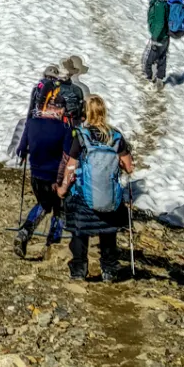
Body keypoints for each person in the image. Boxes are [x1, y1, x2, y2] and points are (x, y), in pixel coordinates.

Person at [58, 95, 136, 282]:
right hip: (109, 195)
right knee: (108, 232)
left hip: (84, 195)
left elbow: (71, 166)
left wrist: (63, 187)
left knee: (80, 231)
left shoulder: (82, 136)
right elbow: (129, 167)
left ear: (87, 112)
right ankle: (108, 270)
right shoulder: (116, 136)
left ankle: (79, 269)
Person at [13, 91, 73, 258]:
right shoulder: (64, 128)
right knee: (58, 209)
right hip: (55, 175)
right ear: (60, 109)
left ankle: (26, 233)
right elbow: (69, 155)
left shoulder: (31, 123)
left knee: (44, 204)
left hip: (36, 175)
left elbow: (21, 148)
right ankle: (51, 244)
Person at [143, 0, 184, 82]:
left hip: (159, 37)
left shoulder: (158, 5)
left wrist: (155, 37)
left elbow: (160, 23)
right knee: (162, 57)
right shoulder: (162, 3)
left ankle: (149, 79)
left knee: (149, 61)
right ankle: (160, 79)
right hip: (165, 36)